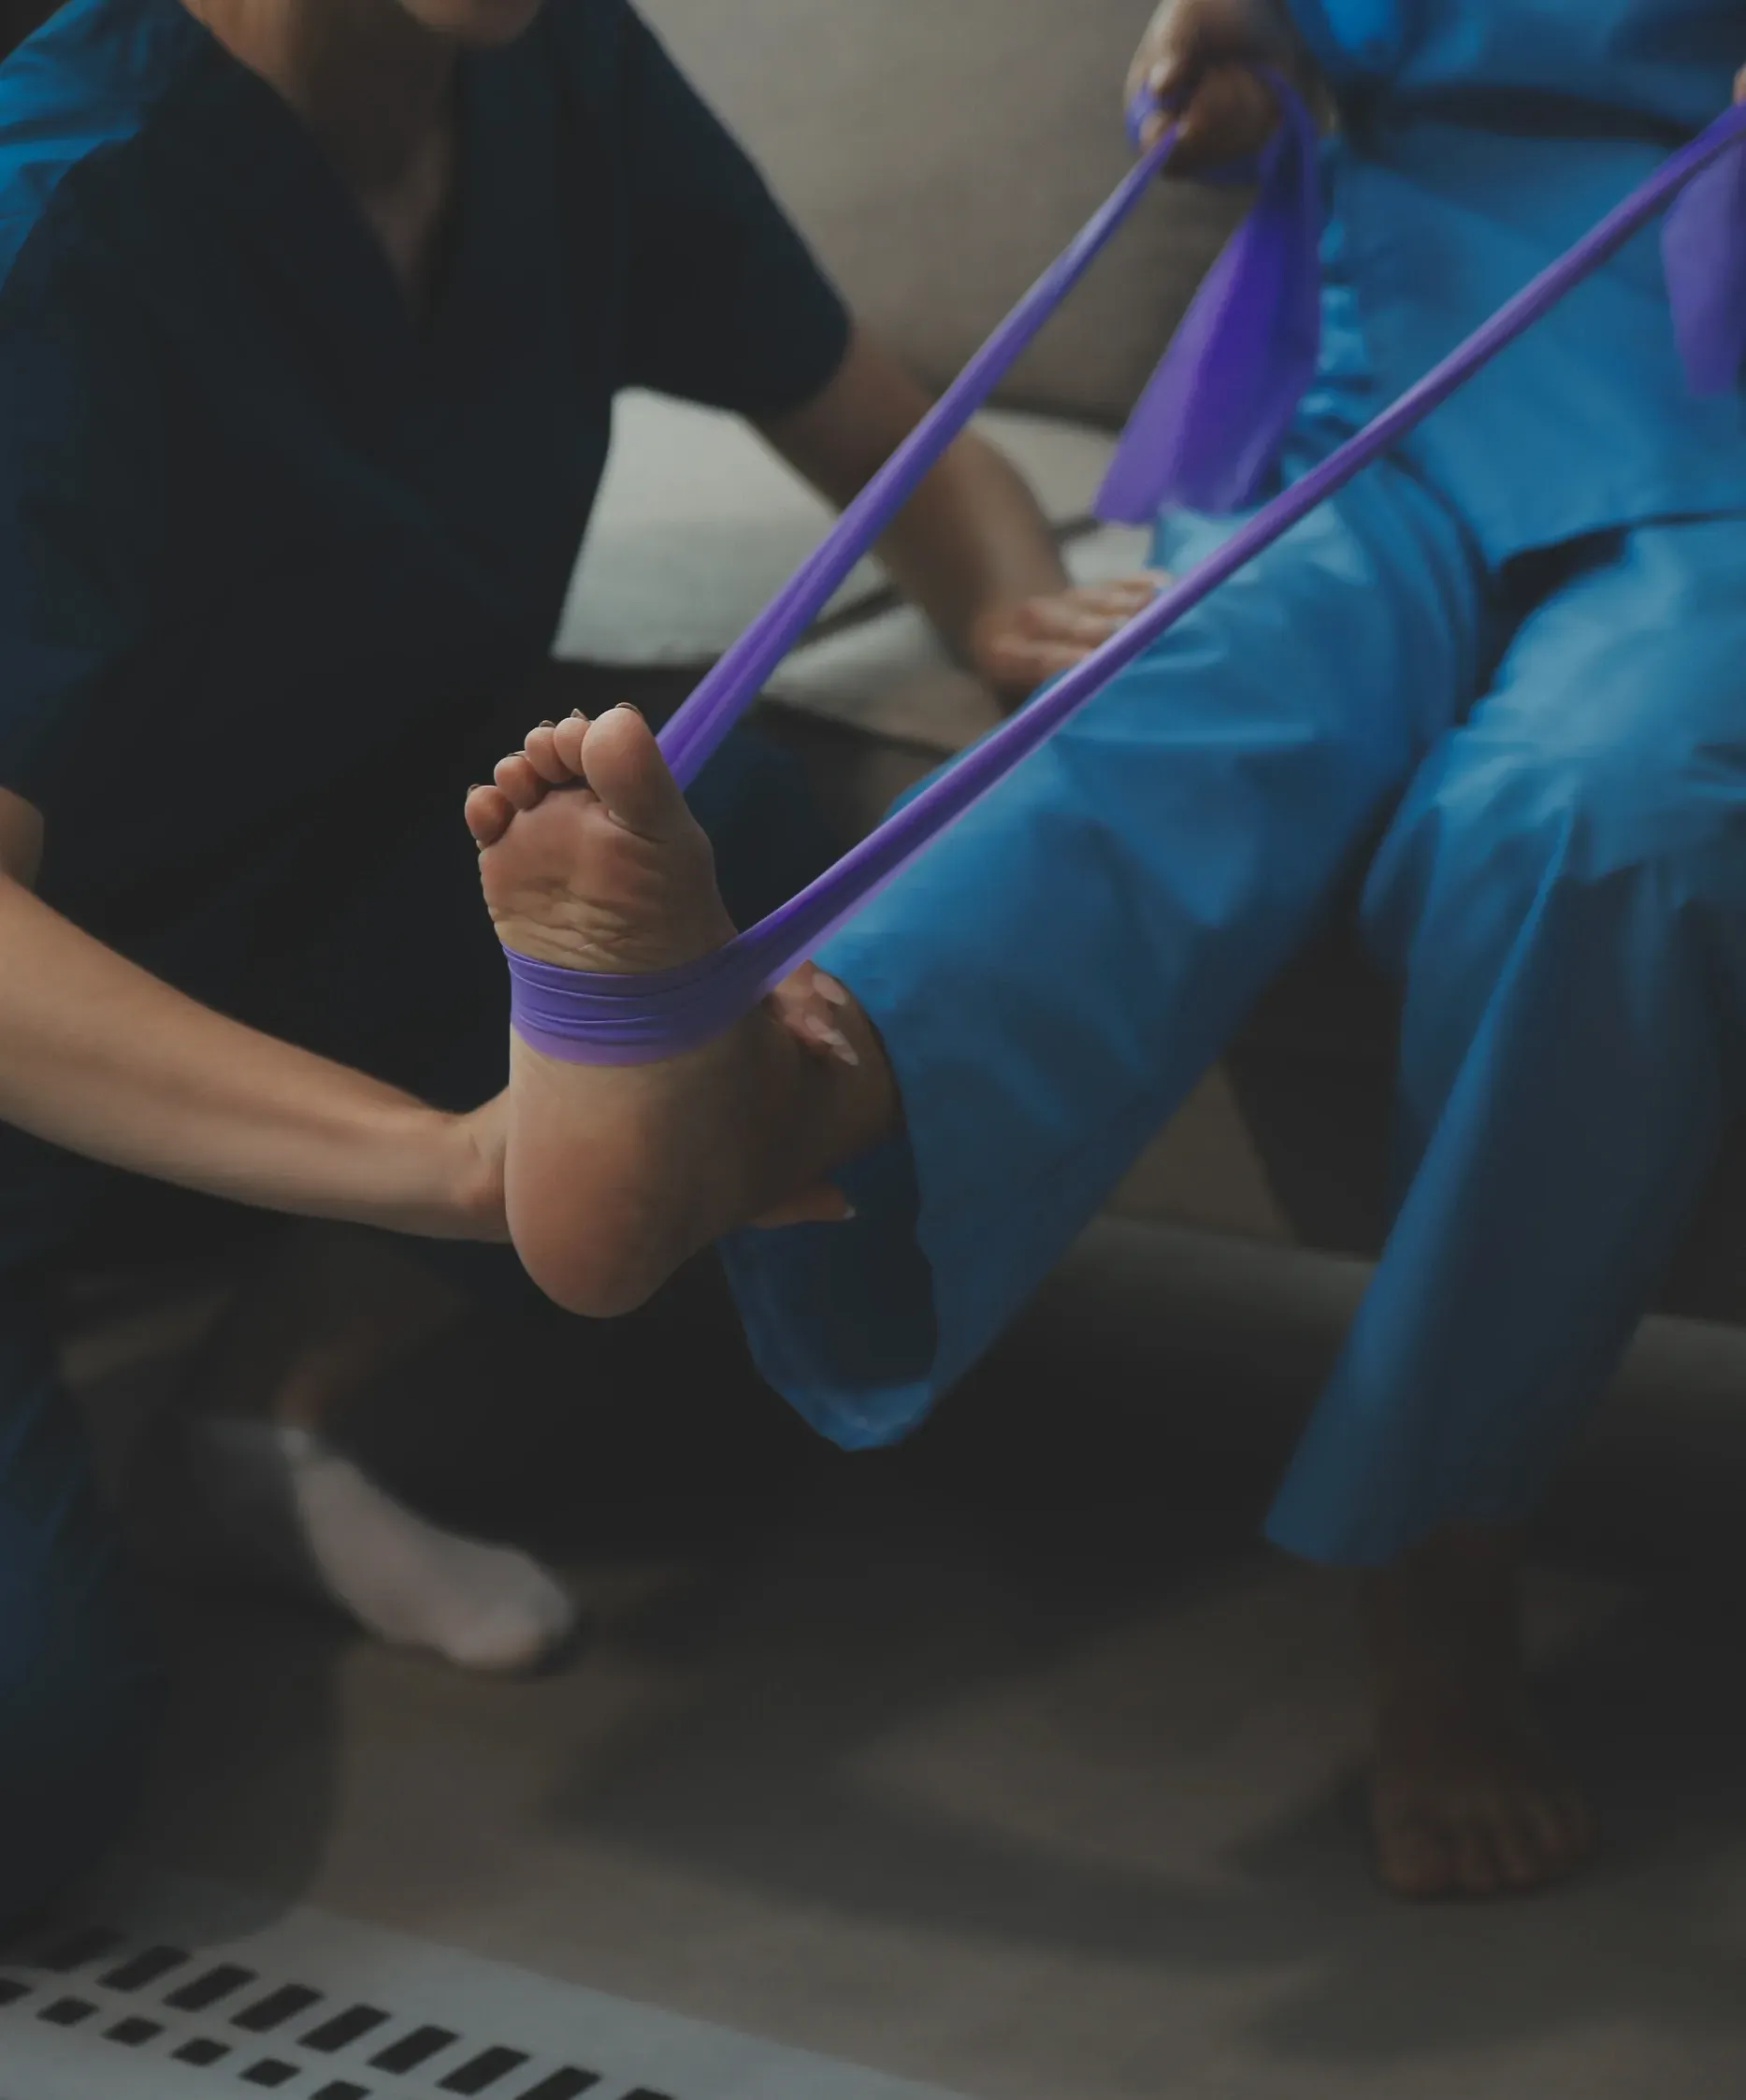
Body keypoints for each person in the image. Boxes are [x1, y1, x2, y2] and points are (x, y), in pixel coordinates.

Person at [469, 0, 1746, 1903]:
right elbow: (1287, 56)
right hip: (1392, 365)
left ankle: (1443, 1544)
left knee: (1591, 829)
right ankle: (789, 1093)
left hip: (1719, 422)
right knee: (1190, 684)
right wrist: (1229, 81)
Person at [0, 0, 1155, 1924]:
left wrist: (1022, 619)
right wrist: (469, 1165)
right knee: (34, 1781)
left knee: (748, 829)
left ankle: (261, 1415)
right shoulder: (61, 219)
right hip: (59, 1019)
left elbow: (902, 445)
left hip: (252, 915)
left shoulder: (561, 73)